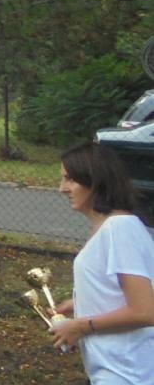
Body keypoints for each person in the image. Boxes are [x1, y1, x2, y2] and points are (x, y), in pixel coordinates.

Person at [48, 141, 154, 383]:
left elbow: (145, 311)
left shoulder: (120, 229)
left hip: (129, 373)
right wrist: (80, 304)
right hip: (113, 370)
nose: (62, 189)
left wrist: (82, 326)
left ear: (94, 180)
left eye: (70, 179)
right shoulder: (110, 228)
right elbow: (121, 293)